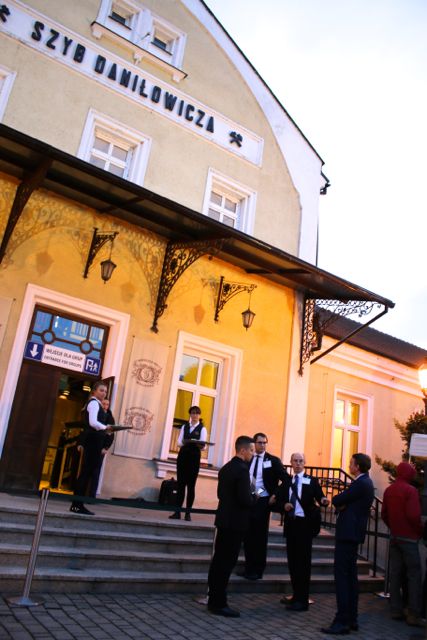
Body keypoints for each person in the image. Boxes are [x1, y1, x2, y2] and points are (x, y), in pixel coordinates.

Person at [321, 453, 374, 635]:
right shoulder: (365, 482)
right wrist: (344, 505)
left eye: (351, 463)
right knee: (350, 577)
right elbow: (344, 502)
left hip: (348, 534)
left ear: (357, 466)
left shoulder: (361, 483)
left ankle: (342, 620)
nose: (349, 466)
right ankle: (351, 618)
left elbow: (337, 499)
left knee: (343, 578)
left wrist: (342, 504)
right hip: (352, 534)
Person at [207, 435, 256, 617]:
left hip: (223, 520)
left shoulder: (226, 468)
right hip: (235, 523)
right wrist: (255, 497)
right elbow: (245, 499)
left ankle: (213, 599)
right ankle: (219, 603)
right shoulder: (242, 470)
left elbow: (221, 494)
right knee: (226, 563)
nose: (253, 454)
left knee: (218, 561)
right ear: (242, 450)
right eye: (251, 450)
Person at [274, 452, 329, 611]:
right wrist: (284, 506)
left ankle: (302, 600)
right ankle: (296, 595)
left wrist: (324, 500)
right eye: (295, 461)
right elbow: (278, 501)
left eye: (301, 461)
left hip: (305, 526)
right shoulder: (287, 482)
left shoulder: (312, 480)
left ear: (305, 463)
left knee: (303, 563)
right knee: (293, 562)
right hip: (291, 525)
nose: (298, 463)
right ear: (291, 463)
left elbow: (320, 497)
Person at [239, 432, 288, 580]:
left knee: (259, 537)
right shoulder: (248, 458)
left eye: (264, 443)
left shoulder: (272, 460)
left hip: (263, 500)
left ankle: (258, 570)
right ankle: (248, 568)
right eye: (259, 442)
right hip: (248, 499)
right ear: (254, 444)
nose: (262, 445)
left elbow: (286, 479)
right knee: (247, 535)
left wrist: (275, 495)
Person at [381, 462, 424, 627]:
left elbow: (384, 514)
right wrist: (419, 531)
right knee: (414, 575)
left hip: (395, 537)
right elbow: (414, 516)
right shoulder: (411, 490)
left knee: (395, 573)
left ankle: (396, 609)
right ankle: (413, 613)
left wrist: (394, 527)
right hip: (409, 538)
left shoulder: (389, 490)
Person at [70, 381, 113, 515]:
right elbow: (93, 422)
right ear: (94, 391)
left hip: (95, 441)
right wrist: (106, 427)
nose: (104, 393)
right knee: (86, 472)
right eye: (101, 390)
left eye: (105, 391)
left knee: (87, 472)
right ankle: (77, 505)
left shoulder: (98, 404)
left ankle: (78, 504)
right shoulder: (94, 403)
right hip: (93, 441)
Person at [169, 406, 207, 521]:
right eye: (192, 413)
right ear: (190, 415)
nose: (194, 415)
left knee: (191, 486)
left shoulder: (202, 429)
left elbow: (203, 446)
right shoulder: (184, 427)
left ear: (199, 415)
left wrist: (193, 443)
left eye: (196, 413)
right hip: (183, 457)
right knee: (180, 485)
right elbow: (179, 443)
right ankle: (177, 512)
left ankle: (188, 513)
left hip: (194, 458)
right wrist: (187, 442)